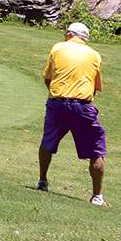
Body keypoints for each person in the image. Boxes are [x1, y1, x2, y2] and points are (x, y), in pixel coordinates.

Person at [36, 21, 107, 206]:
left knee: (47, 142)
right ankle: (97, 196)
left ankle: (42, 180)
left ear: (68, 34)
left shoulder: (58, 48)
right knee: (96, 150)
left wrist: (55, 97)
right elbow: (95, 88)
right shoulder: (95, 55)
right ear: (86, 38)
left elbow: (48, 79)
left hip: (57, 102)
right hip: (83, 106)